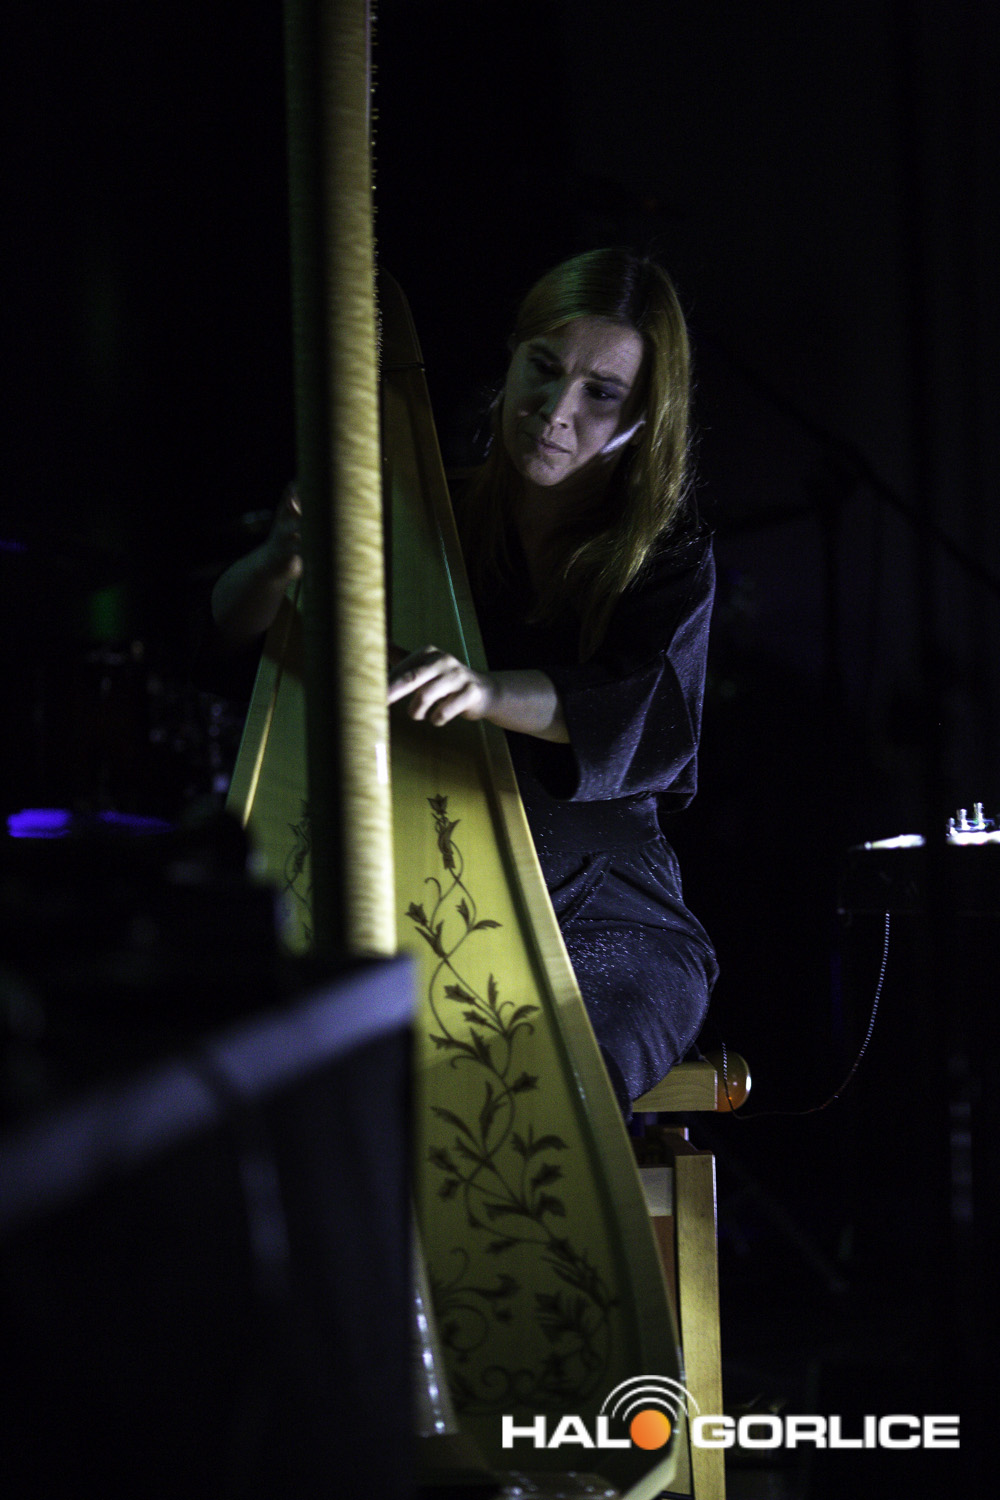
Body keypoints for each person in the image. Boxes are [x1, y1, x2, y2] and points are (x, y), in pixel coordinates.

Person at [211, 248, 717, 1115]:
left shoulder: (666, 555)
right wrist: (272, 565)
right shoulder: (425, 507)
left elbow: (644, 707)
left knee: (538, 1089)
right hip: (413, 895)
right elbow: (234, 635)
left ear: (645, 416)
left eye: (600, 393)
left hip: (603, 914)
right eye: (543, 367)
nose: (555, 411)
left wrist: (484, 692)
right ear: (511, 357)